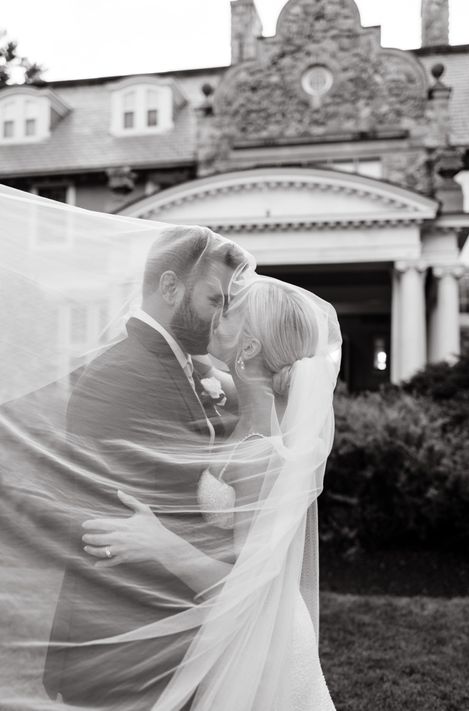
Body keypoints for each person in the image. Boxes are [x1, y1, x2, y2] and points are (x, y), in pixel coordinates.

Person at [82, 275, 341, 710]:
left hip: (261, 638)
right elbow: (189, 365)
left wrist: (159, 542)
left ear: (251, 349)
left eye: (228, 316)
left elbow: (248, 587)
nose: (215, 320)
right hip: (237, 630)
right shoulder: (249, 403)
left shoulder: (260, 456)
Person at [42, 226, 253, 710]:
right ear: (170, 287)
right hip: (123, 640)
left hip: (169, 624)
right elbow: (108, 524)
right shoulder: (124, 375)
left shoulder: (182, 367)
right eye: (212, 299)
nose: (220, 317)